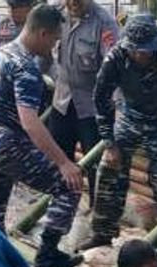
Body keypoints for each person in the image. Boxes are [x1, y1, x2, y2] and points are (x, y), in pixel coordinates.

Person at [0, 4, 84, 267]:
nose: (55, 45)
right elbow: (30, 123)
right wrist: (63, 162)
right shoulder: (25, 68)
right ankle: (47, 254)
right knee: (69, 187)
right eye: (55, 39)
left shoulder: (2, 53)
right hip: (3, 141)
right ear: (44, 34)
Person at [87, 14, 157, 251]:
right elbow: (100, 97)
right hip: (130, 118)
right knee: (109, 171)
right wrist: (109, 142)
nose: (141, 55)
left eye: (145, 50)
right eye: (136, 51)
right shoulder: (115, 57)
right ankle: (103, 234)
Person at [48, 0, 117, 205]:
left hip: (92, 107)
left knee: (96, 166)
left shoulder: (104, 22)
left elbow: (113, 67)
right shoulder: (55, 13)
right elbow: (42, 53)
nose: (73, 3)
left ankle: (97, 214)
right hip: (61, 102)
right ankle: (61, 209)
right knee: (58, 159)